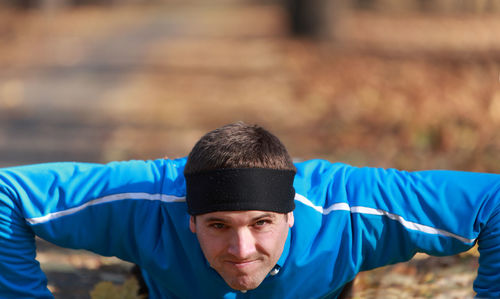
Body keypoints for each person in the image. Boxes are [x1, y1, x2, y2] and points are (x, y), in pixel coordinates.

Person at [0, 122, 499, 298]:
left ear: (291, 216)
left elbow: (492, 202)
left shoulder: (351, 207)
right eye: (218, 226)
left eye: (262, 224)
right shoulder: (142, 200)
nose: (241, 249)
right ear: (189, 218)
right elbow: (8, 191)